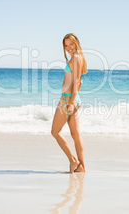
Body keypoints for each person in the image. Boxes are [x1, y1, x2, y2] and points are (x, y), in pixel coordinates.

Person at [51, 33, 87, 173]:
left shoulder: (76, 58)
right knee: (75, 134)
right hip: (72, 98)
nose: (69, 48)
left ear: (76, 43)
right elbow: (80, 81)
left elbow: (77, 81)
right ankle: (81, 167)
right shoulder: (78, 58)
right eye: (66, 46)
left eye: (71, 44)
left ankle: (73, 161)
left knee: (55, 131)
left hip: (68, 98)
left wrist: (71, 102)